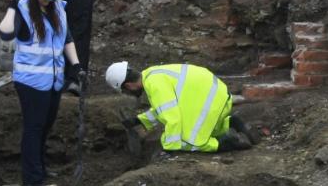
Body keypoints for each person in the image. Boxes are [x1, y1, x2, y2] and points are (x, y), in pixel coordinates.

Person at [0, 0, 83, 186]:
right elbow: (5, 33)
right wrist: (12, 7)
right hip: (30, 82)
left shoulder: (58, 9)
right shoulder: (24, 10)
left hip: (53, 81)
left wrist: (75, 65)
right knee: (34, 129)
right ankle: (33, 179)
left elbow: (67, 38)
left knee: (45, 127)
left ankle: (41, 169)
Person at [103, 61, 255, 153]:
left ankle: (228, 143)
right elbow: (163, 109)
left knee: (191, 142)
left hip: (209, 99)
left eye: (125, 91)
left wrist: (170, 146)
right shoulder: (151, 75)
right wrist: (139, 121)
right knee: (205, 132)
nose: (128, 93)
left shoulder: (154, 85)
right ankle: (228, 124)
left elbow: (173, 118)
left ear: (128, 85)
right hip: (214, 96)